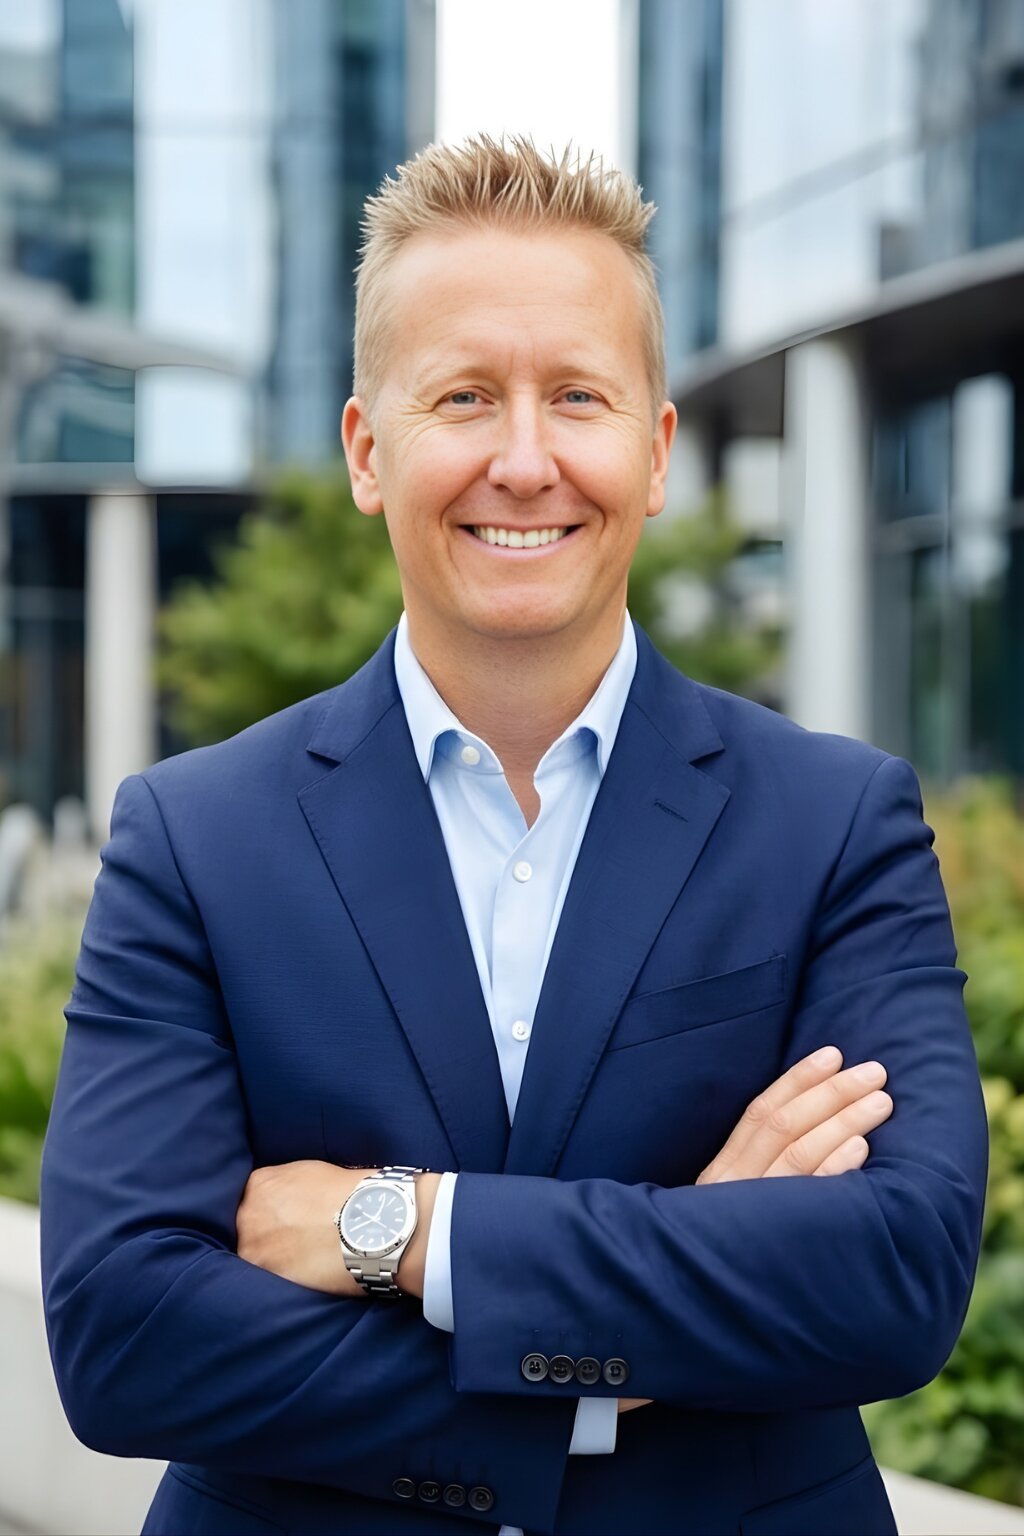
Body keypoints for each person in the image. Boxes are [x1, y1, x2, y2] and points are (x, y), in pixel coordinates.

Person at [40, 136, 988, 1536]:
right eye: (466, 397)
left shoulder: (836, 823)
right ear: (371, 450)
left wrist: (406, 1233)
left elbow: (892, 1278)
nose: (527, 461)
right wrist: (644, 1337)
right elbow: (124, 1337)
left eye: (580, 398)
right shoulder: (194, 837)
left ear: (657, 450)